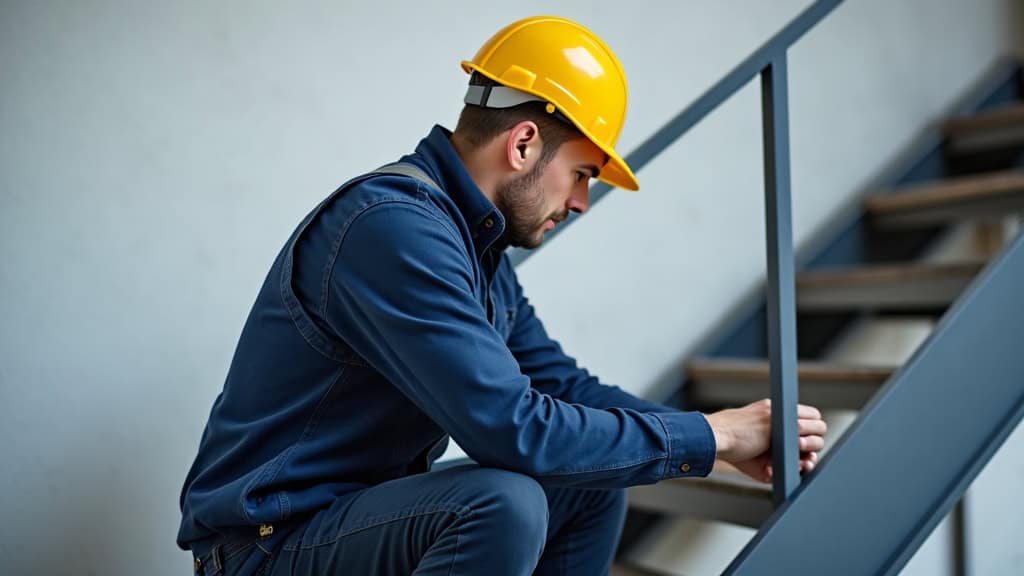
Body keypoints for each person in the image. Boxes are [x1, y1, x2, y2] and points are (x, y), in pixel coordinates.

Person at [178, 15, 827, 576]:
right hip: (266, 546)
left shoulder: (476, 251)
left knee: (592, 488)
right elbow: (514, 430)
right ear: (523, 145)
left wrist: (719, 445)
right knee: (503, 499)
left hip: (348, 521)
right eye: (581, 175)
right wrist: (712, 436)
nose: (580, 202)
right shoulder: (391, 228)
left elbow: (564, 388)